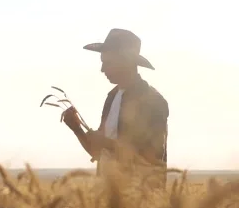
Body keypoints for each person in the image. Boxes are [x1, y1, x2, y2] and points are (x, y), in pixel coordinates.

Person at [62, 28, 169, 187]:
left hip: (140, 201)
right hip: (109, 199)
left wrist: (106, 143)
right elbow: (99, 153)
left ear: (125, 62)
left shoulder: (152, 101)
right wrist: (76, 128)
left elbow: (151, 159)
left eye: (108, 63)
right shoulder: (112, 97)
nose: (102, 69)